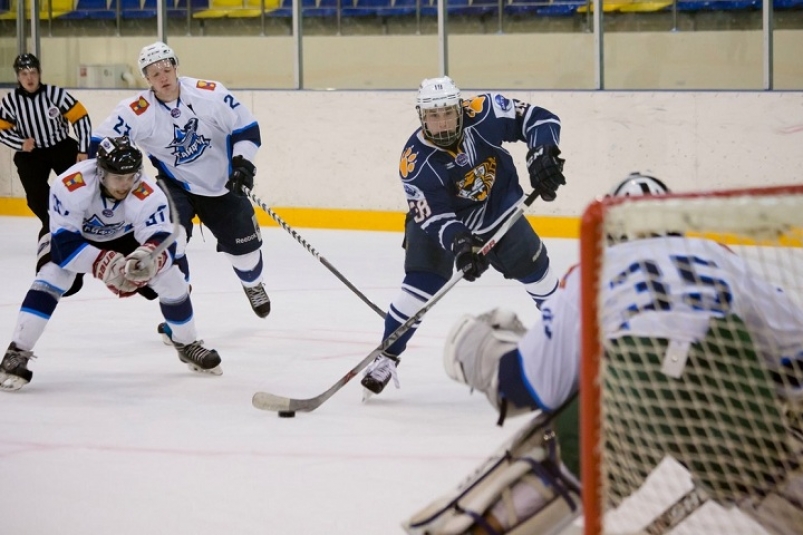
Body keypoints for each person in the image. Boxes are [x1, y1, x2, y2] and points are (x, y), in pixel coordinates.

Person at [410, 174, 803, 534]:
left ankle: (488, 522)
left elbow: (531, 387)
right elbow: (794, 344)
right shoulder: (718, 257)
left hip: (637, 386)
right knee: (769, 477)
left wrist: (481, 352)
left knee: (562, 449)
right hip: (730, 380)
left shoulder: (594, 268)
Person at [360, 76, 567, 398]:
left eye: (448, 113)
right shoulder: (414, 162)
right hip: (445, 222)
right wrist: (461, 244)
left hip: (499, 210)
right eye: (434, 116)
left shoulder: (484, 111)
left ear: (460, 109)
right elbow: (436, 217)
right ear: (421, 116)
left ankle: (573, 341)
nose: (442, 123)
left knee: (542, 279)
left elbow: (539, 118)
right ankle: (386, 356)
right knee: (417, 290)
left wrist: (542, 153)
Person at [0, 136, 222, 392]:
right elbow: (65, 245)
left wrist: (148, 257)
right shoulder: (71, 184)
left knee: (170, 278)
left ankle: (187, 343)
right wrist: (105, 266)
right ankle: (17, 352)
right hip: (73, 237)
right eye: (118, 177)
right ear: (101, 172)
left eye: (130, 176)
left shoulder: (146, 190)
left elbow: (163, 236)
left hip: (123, 236)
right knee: (53, 276)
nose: (125, 184)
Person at [89, 41, 269, 335]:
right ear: (146, 79)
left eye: (166, 68)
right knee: (171, 242)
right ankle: (178, 308)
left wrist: (243, 164)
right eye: (154, 73)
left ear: (175, 67)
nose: (162, 76)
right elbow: (100, 142)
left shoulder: (209, 93)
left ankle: (253, 284)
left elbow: (246, 128)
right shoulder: (137, 110)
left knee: (247, 255)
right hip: (174, 185)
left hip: (223, 184)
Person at [0, 53, 92, 296]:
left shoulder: (55, 94)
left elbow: (81, 117)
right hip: (31, 154)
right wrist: (20, 143)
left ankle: (86, 226)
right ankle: (53, 226)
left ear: (39, 73)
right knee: (36, 198)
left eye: (33, 73)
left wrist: (83, 149)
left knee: (79, 189)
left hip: (61, 147)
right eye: (24, 74)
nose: (29, 78)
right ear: (18, 77)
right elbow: (1, 129)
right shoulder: (10, 102)